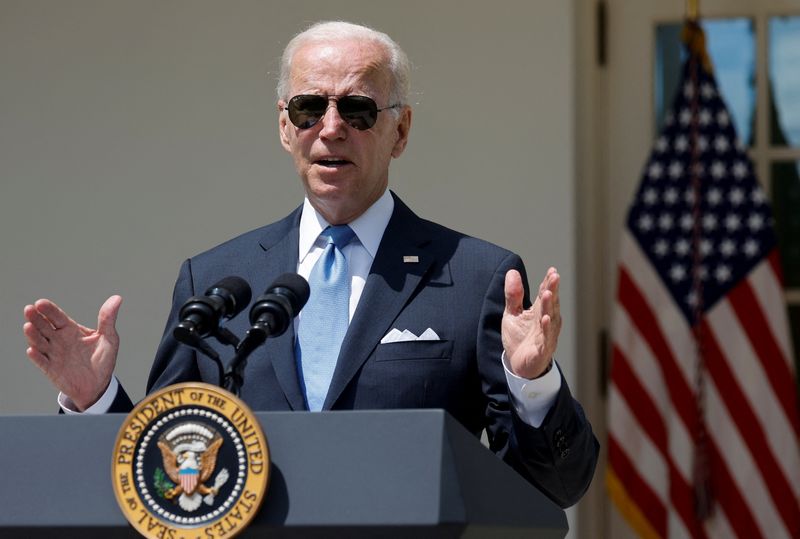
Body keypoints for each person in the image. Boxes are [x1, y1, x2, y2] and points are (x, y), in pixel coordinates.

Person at [22, 21, 598, 508]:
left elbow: (554, 486)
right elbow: (167, 475)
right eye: (307, 107)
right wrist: (96, 399)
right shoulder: (218, 279)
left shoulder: (475, 278)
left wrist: (533, 385)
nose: (330, 127)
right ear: (283, 125)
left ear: (401, 130)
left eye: (357, 108)